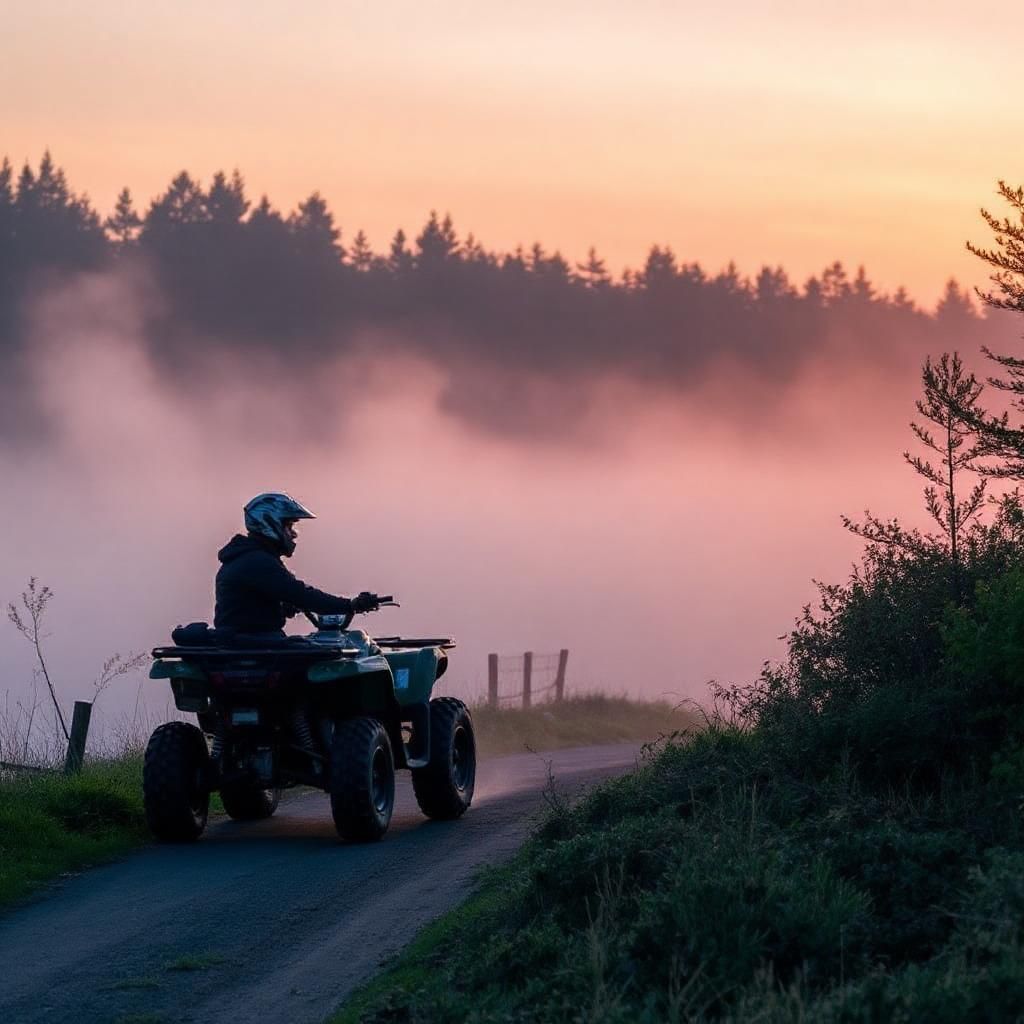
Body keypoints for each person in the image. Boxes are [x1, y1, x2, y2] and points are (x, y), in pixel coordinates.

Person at [214, 492, 376, 635]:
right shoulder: (256, 562)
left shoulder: (249, 557)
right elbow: (301, 594)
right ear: (269, 525)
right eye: (289, 527)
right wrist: (351, 605)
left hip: (248, 641)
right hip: (255, 644)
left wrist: (281, 607)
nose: (294, 535)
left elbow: (248, 606)